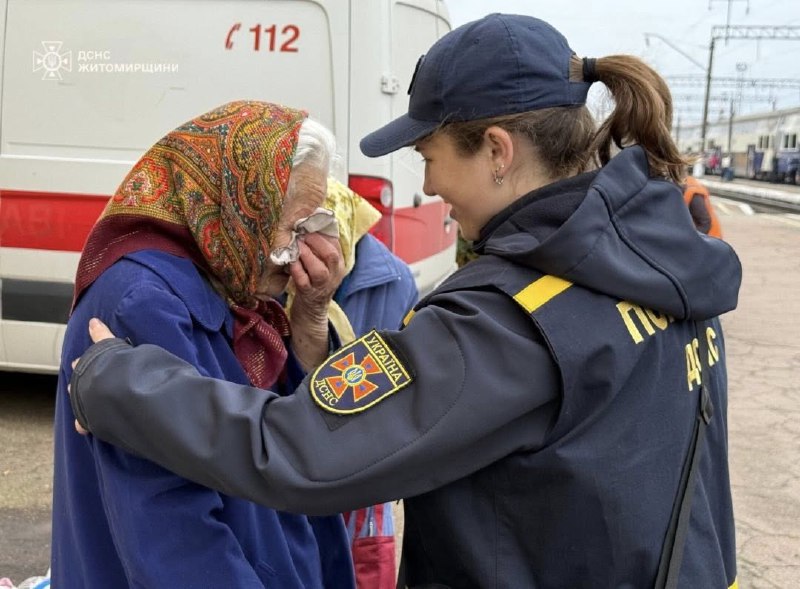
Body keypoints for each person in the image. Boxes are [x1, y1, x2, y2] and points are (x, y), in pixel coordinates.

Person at [68, 14, 742, 588]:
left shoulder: (512, 318)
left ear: (498, 152)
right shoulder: (660, 257)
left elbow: (299, 448)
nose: (424, 183)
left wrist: (118, 380)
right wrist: (309, 325)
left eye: (430, 152)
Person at [51, 100, 356, 588]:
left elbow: (296, 433)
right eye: (293, 229)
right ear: (237, 203)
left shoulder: (233, 286)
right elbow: (175, 534)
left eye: (310, 229)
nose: (299, 252)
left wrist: (310, 317)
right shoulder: (142, 302)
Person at [308, 179, 418, 588]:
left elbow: (406, 389)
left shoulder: (393, 282)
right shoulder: (283, 281)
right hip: (300, 466)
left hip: (364, 481)